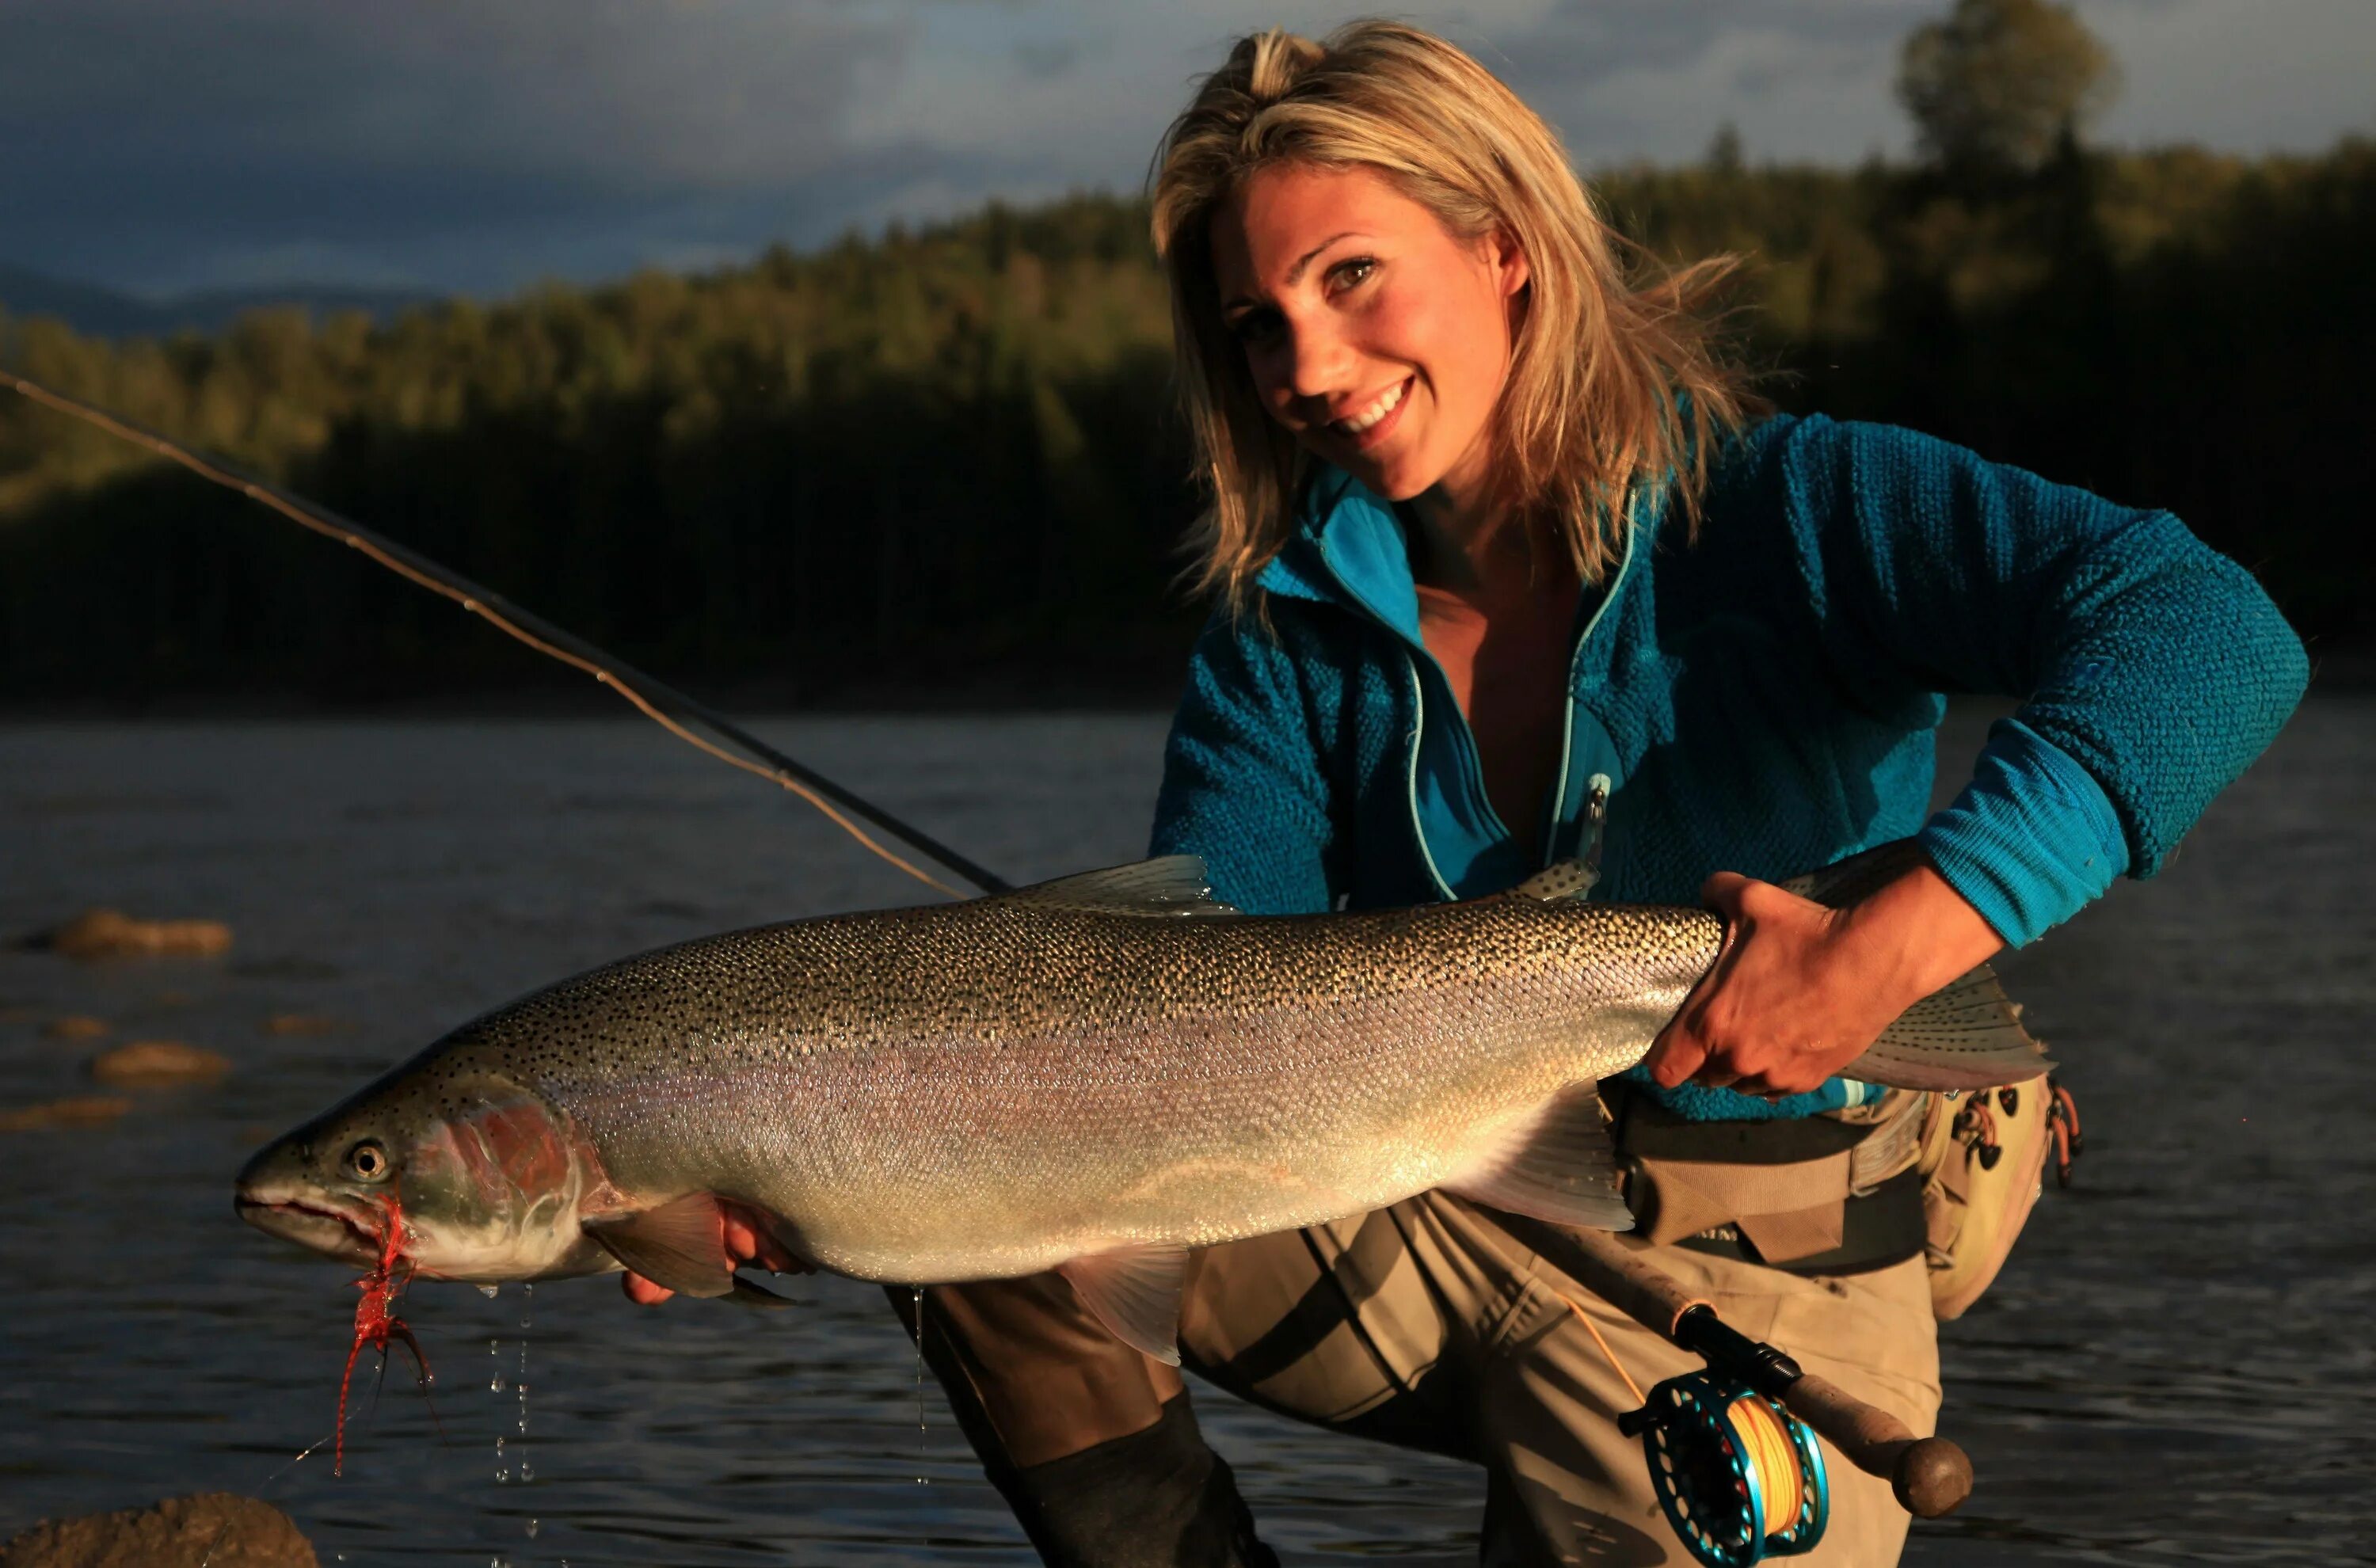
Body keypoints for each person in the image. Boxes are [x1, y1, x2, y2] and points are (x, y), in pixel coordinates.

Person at [626, 21, 2308, 1564]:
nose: (1313, 361)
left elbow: (2211, 630)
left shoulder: (1798, 507)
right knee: (966, 1223)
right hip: (1418, 1221)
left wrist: (1898, 941)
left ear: (1505, 247)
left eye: (1356, 277)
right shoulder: (1280, 644)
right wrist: (805, 1171)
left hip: (1776, 1272)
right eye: (1260, 324)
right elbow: (1210, 1013)